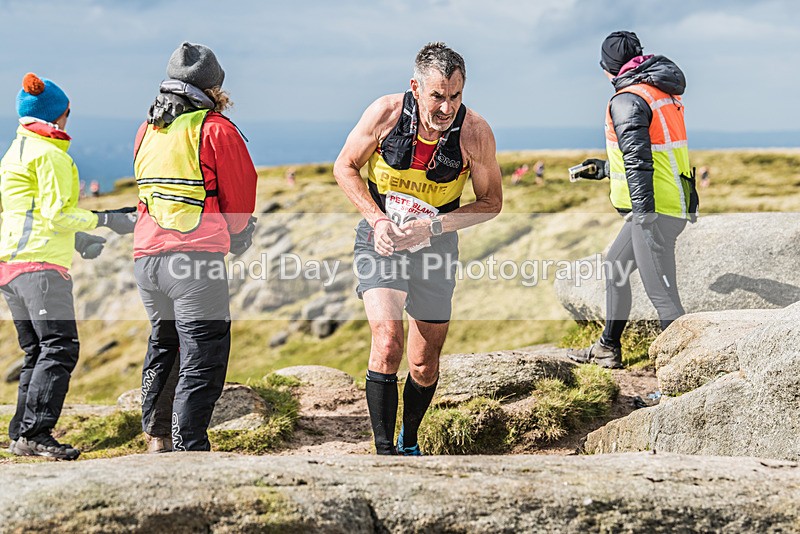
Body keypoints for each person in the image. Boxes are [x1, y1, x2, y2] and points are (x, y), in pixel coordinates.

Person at [333, 42, 503, 455]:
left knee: (424, 364)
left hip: (436, 247)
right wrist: (378, 220)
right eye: (437, 96)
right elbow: (345, 167)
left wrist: (433, 227)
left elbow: (491, 202)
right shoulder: (386, 114)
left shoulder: (474, 133)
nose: (447, 107)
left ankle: (410, 438)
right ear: (415, 87)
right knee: (388, 338)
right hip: (382, 240)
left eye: (456, 96)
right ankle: (384, 451)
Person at [0, 73, 136, 460]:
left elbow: (26, 211)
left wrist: (79, 239)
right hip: (41, 268)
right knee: (59, 348)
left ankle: (21, 433)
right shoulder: (51, 155)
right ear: (58, 115)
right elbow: (58, 214)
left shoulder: (16, 150)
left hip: (11, 265)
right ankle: (36, 433)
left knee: (37, 351)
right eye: (67, 113)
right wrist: (109, 220)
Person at [133, 42, 258, 452]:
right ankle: (190, 450)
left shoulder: (147, 129)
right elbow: (239, 207)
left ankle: (157, 439)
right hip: (194, 264)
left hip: (147, 261)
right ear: (214, 86)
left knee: (165, 345)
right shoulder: (215, 129)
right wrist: (237, 234)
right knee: (203, 356)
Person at [567, 31, 699, 368]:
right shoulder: (657, 92)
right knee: (615, 268)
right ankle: (607, 348)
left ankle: (681, 379)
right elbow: (646, 156)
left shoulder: (627, 99)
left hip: (654, 212)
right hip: (667, 202)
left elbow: (640, 162)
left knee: (664, 299)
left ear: (607, 69)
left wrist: (643, 217)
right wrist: (604, 169)